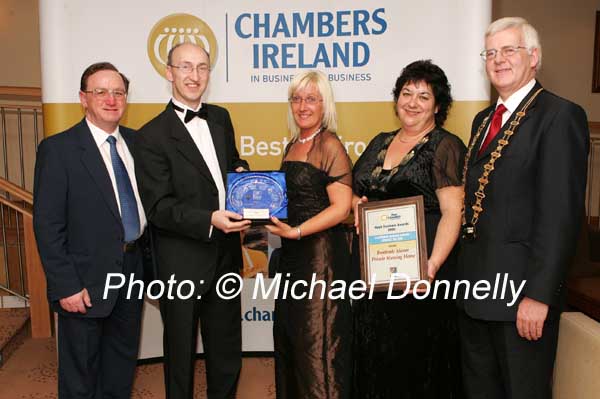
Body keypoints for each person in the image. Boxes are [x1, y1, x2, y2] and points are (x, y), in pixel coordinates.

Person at [457, 17, 589, 399]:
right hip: (475, 292)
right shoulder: (483, 120)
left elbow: (561, 215)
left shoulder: (559, 116)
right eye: (491, 53)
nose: (499, 60)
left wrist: (539, 295)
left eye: (509, 50)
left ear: (534, 57)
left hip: (521, 301)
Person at [134, 42, 249, 399]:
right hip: (181, 261)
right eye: (185, 67)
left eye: (202, 67)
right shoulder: (151, 135)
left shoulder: (220, 117)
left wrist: (242, 175)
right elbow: (159, 208)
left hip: (226, 255)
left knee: (227, 351)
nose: (194, 76)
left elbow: (230, 164)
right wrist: (210, 219)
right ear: (169, 73)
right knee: (181, 355)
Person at [351, 60, 465, 398]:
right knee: (376, 356)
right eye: (406, 93)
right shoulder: (380, 142)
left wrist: (429, 268)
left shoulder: (445, 145)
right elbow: (361, 190)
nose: (412, 102)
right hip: (375, 273)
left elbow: (453, 212)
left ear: (438, 106)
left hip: (422, 272)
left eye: (424, 96)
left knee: (416, 360)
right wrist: (359, 204)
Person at [33, 62, 146, 398]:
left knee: (121, 367)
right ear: (83, 98)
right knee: (80, 375)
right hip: (82, 281)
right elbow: (48, 224)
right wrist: (66, 285)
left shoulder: (138, 144)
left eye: (118, 92)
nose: (111, 99)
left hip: (131, 271)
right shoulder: (59, 150)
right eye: (101, 92)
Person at [265, 70, 353, 399]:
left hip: (320, 262)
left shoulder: (328, 144)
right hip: (291, 259)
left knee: (318, 351)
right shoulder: (293, 145)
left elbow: (341, 207)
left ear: (324, 104)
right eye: (297, 98)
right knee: (293, 347)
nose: (303, 106)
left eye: (311, 99)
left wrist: (298, 231)